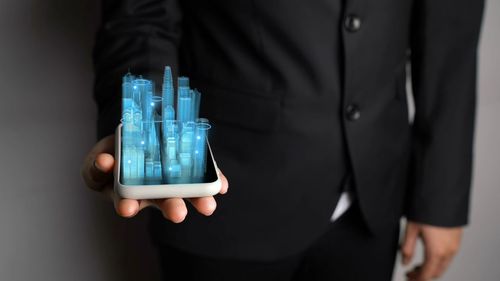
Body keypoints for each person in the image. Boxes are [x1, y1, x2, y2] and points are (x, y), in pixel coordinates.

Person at [81, 0, 484, 280]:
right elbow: (142, 17)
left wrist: (439, 197)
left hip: (372, 193)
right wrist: (146, 140)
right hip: (226, 201)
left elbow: (452, 37)